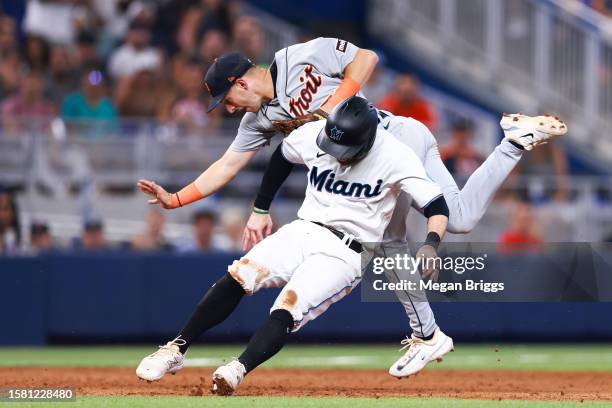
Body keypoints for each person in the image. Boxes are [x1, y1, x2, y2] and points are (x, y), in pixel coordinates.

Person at [136, 37, 567, 376]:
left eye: (227, 100)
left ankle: (427, 336)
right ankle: (513, 142)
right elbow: (227, 165)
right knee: (461, 218)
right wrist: (176, 199)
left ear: (241, 82)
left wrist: (332, 104)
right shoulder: (259, 120)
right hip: (379, 150)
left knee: (392, 239)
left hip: (389, 141)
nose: (228, 110)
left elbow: (366, 58)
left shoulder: (296, 57)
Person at [135, 97, 453, 394]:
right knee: (240, 274)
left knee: (288, 307)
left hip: (345, 250)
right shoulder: (318, 133)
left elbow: (437, 205)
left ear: (367, 140)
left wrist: (431, 243)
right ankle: (175, 348)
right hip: (303, 229)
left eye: (343, 146)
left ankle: (237, 368)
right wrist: (261, 208)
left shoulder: (395, 155)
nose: (334, 150)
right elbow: (282, 156)